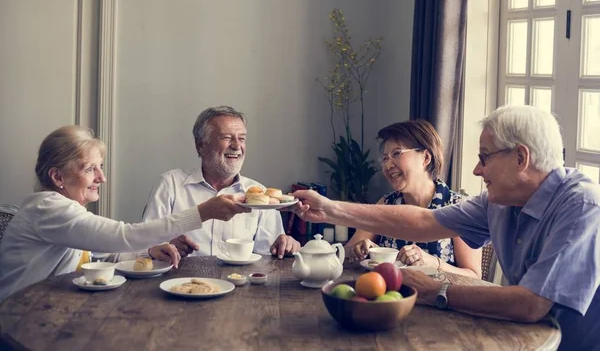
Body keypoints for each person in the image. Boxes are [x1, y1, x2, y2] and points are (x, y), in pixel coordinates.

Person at [289, 105, 600, 351]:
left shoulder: (582, 206)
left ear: (520, 157)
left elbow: (532, 303)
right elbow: (424, 221)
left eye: (484, 157)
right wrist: (329, 208)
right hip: (522, 336)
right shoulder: (500, 200)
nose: (477, 169)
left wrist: (438, 290)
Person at [0, 125, 250, 303]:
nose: (102, 177)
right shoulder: (47, 208)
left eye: (101, 167)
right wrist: (203, 212)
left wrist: (149, 252)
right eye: (90, 169)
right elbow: (123, 235)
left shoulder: (63, 210)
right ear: (57, 176)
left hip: (48, 311)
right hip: (18, 322)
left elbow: (102, 254)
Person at [142, 106, 300, 259]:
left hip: (239, 283)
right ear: (201, 145)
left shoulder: (260, 196)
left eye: (242, 138)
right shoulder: (170, 185)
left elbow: (268, 256)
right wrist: (163, 247)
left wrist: (284, 246)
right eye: (226, 137)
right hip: (180, 283)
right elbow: (142, 244)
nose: (237, 145)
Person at [345, 120, 481, 278]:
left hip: (437, 300)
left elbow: (474, 276)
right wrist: (358, 250)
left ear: (426, 158)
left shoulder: (458, 206)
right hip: (391, 297)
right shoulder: (387, 203)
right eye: (384, 158)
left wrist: (433, 262)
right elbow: (346, 254)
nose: (388, 165)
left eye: (396, 153)